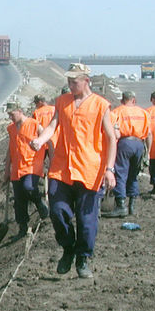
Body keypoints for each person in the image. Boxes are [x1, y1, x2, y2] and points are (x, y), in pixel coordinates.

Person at [30, 63, 117, 279]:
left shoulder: (100, 105)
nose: (70, 84)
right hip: (62, 168)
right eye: (68, 81)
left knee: (87, 221)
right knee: (57, 212)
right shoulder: (62, 101)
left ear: (86, 80)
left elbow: (111, 138)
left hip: (90, 170)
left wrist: (109, 169)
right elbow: (53, 125)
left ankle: (82, 258)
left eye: (74, 81)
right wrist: (40, 141)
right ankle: (68, 249)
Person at [5, 104, 48, 240]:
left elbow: (47, 139)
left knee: (28, 187)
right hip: (17, 168)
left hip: (32, 165)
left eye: (12, 114)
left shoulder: (34, 124)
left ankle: (41, 205)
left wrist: (50, 159)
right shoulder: (11, 129)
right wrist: (7, 169)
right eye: (9, 115)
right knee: (19, 200)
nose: (10, 117)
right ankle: (22, 227)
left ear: (20, 110)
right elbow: (10, 149)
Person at [106, 91, 152, 217]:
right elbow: (148, 134)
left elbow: (113, 133)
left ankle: (121, 205)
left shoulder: (117, 112)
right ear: (134, 100)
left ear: (122, 100)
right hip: (139, 144)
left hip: (124, 143)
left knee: (120, 173)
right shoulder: (144, 113)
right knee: (133, 174)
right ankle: (132, 205)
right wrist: (148, 152)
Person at [31, 94, 57, 172]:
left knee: (37, 165)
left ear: (40, 102)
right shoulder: (55, 109)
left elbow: (34, 128)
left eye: (36, 103)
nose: (36, 105)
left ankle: (39, 179)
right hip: (55, 142)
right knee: (55, 164)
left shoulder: (36, 113)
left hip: (42, 143)